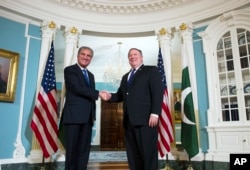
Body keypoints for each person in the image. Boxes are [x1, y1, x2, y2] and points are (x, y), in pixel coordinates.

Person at [103, 48, 163, 170]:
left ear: (141, 57)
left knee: (148, 154)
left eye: (135, 54)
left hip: (147, 120)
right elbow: (120, 95)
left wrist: (155, 113)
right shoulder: (125, 77)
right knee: (133, 155)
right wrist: (109, 96)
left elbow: (157, 92)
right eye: (130, 55)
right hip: (129, 122)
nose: (132, 57)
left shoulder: (151, 70)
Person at [61, 46, 106, 170]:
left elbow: (89, 95)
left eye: (89, 56)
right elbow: (77, 88)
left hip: (87, 118)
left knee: (84, 152)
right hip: (73, 117)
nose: (86, 57)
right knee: (72, 152)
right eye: (83, 54)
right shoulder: (70, 70)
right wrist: (98, 93)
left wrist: (93, 115)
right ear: (78, 55)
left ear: (91, 58)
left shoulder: (91, 75)